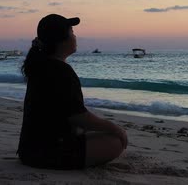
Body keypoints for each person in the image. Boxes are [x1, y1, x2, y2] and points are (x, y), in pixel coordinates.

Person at [18, 14, 127, 169]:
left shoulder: (42, 66)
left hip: (29, 150)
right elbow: (80, 117)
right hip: (47, 153)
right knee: (115, 141)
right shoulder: (60, 71)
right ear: (62, 39)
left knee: (94, 133)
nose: (75, 36)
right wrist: (115, 128)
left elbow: (68, 114)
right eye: (72, 32)